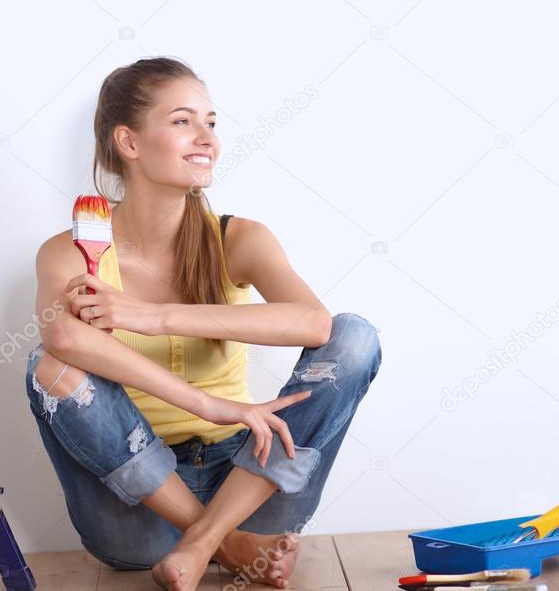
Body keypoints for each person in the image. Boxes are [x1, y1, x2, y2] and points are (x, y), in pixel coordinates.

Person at [25, 56, 383, 591]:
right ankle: (225, 542)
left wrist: (151, 316)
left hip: (250, 481)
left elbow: (314, 324)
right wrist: (213, 405)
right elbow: (61, 340)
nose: (207, 138)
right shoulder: (73, 251)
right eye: (182, 121)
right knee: (47, 365)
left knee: (355, 336)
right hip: (139, 507)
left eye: (211, 122)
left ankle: (210, 537)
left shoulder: (239, 238)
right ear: (129, 142)